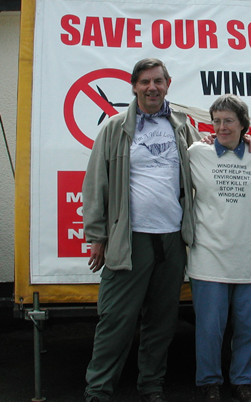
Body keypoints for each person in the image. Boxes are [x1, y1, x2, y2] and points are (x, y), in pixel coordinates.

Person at [82, 58, 200, 402]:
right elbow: (95, 184)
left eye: (158, 81)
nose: (152, 87)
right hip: (128, 240)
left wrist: (245, 145)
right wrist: (98, 236)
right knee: (115, 319)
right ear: (134, 86)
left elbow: (209, 159)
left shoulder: (181, 126)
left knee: (162, 321)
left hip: (172, 239)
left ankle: (151, 386)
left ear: (168, 84)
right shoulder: (115, 128)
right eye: (145, 82)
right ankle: (98, 390)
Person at [187, 95, 251, 402]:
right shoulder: (197, 152)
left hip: (248, 256)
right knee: (210, 328)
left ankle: (243, 382)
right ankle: (210, 383)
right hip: (208, 255)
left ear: (243, 124)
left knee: (250, 327)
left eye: (229, 121)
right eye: (217, 121)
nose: (222, 127)